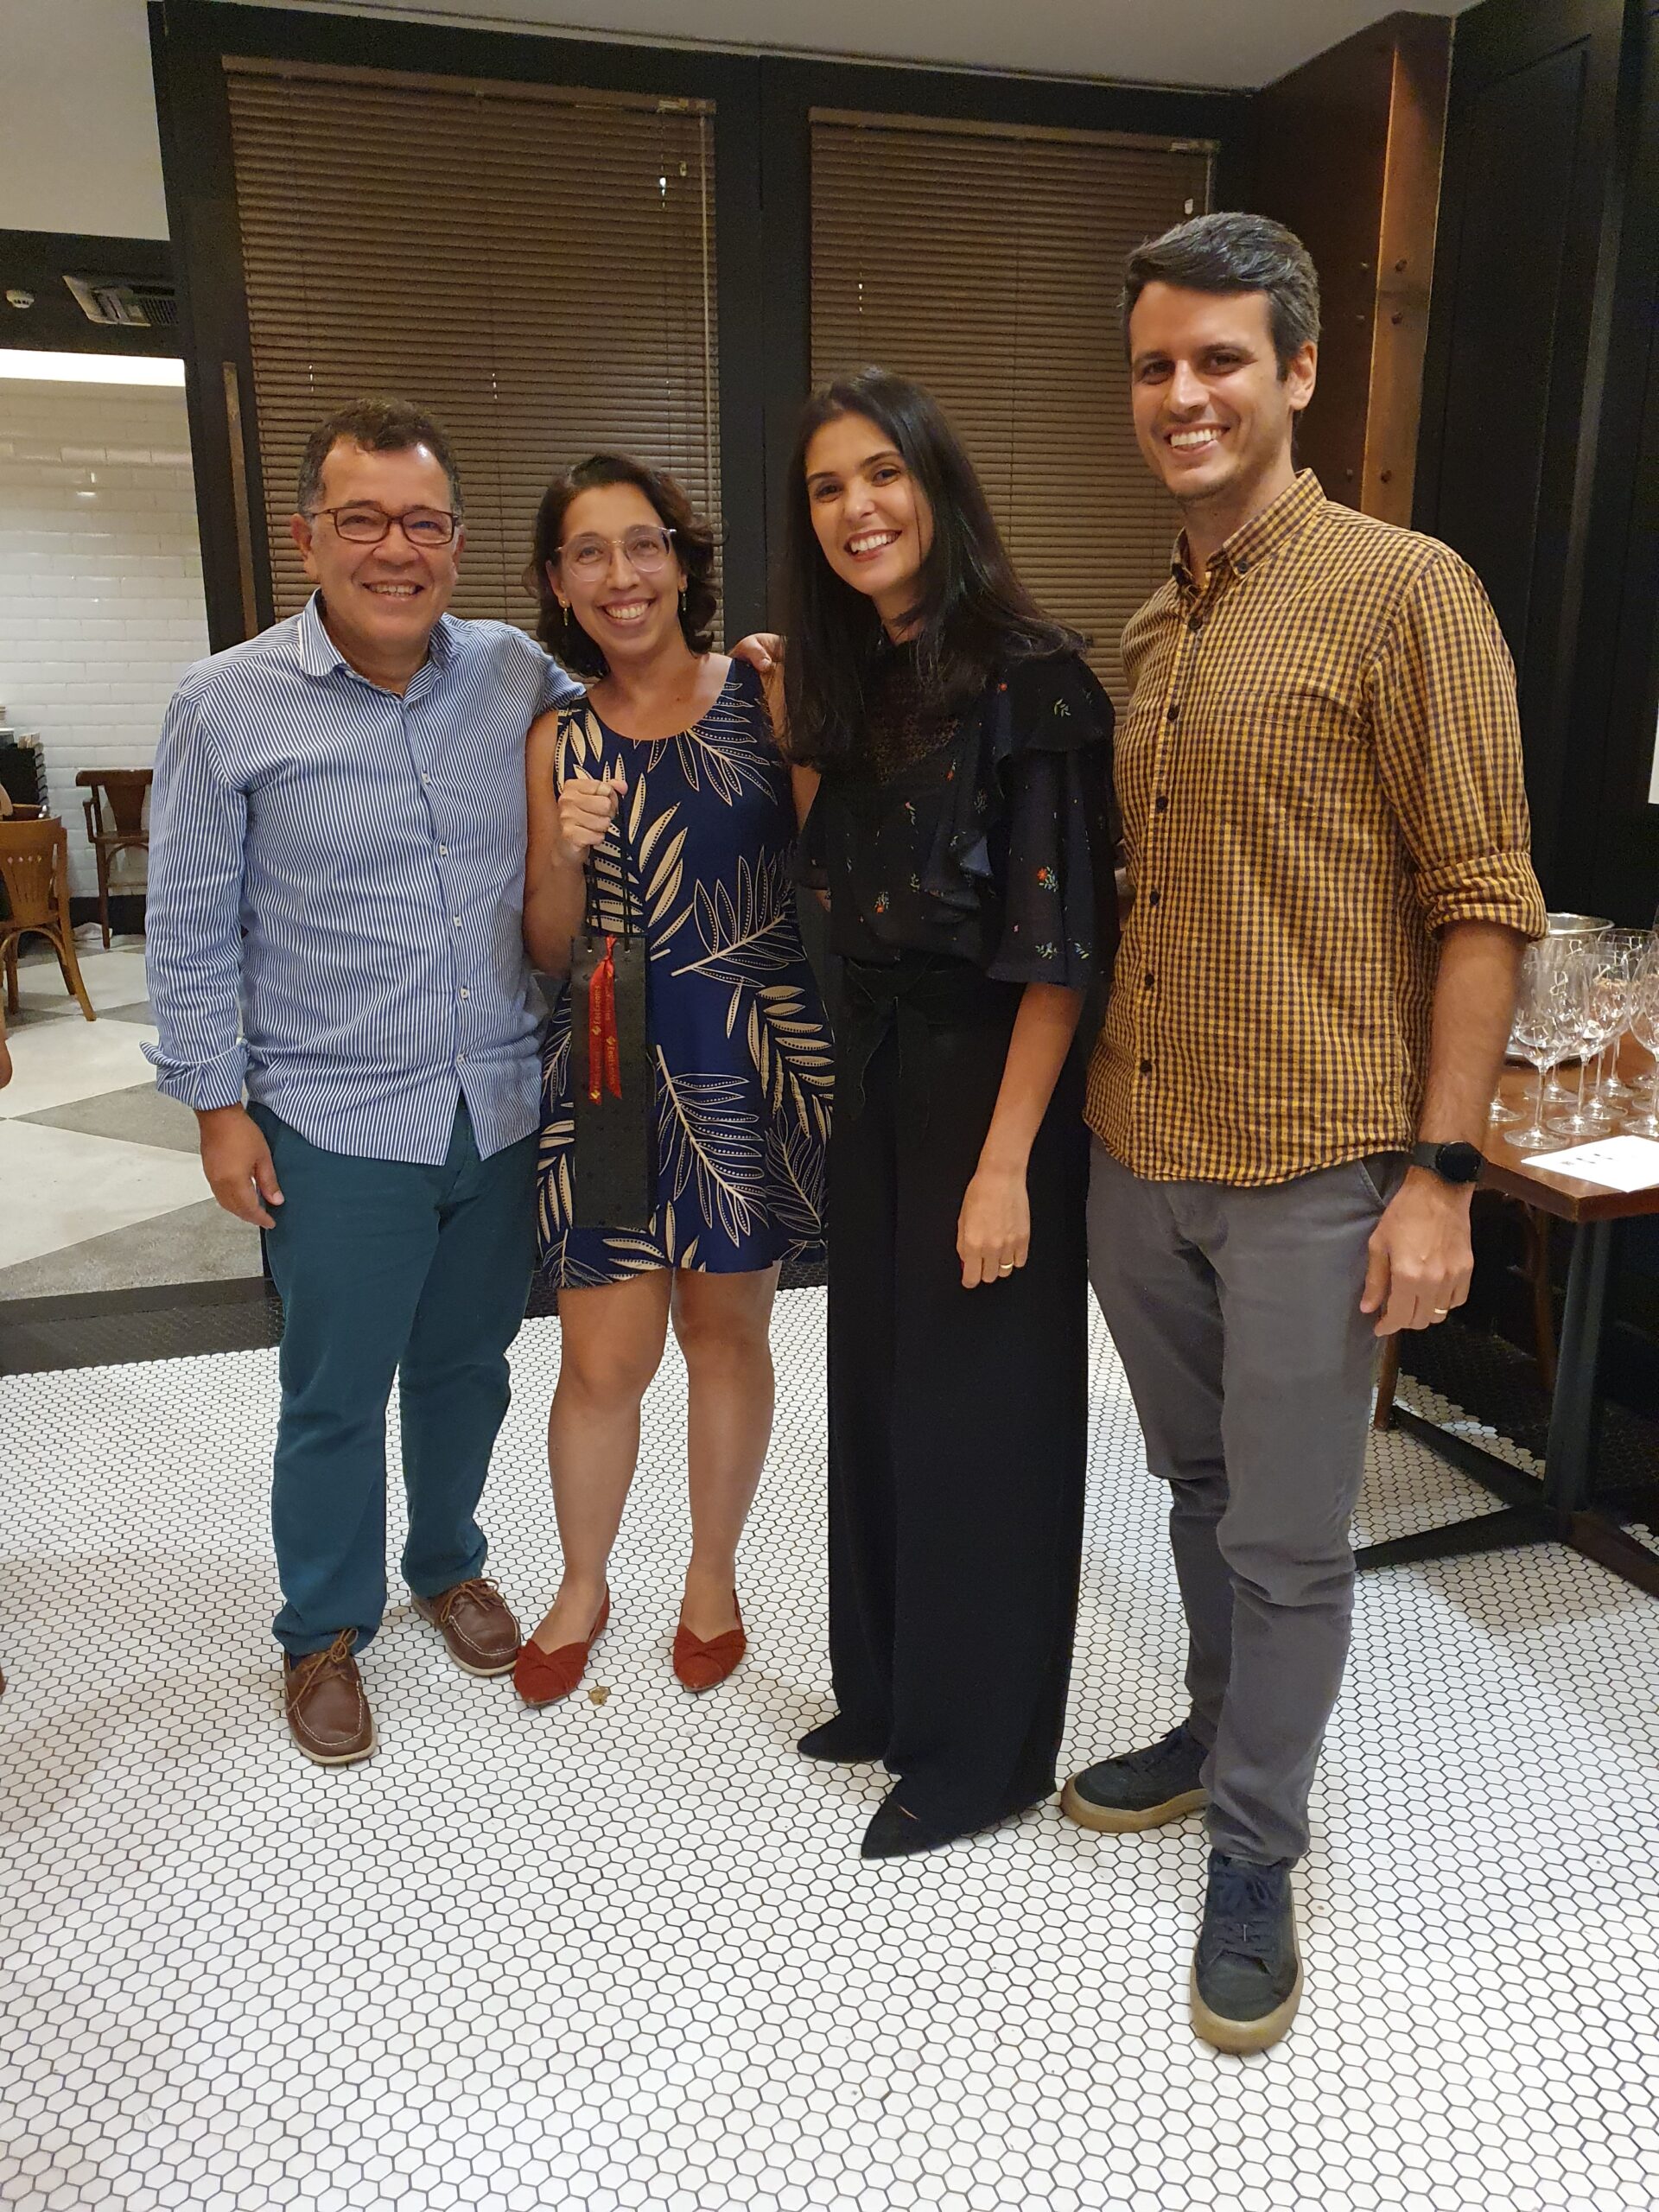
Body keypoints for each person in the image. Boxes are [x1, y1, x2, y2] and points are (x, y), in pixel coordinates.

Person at [1062, 213, 1548, 2051]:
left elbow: (1482, 901)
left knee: (1288, 1536)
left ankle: (1258, 1845)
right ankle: (1216, 1730)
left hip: (1319, 1168)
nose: (1183, 395)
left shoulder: (1407, 591)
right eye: (1155, 366)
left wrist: (1441, 1179)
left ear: (1301, 372)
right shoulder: (1152, 626)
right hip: (1141, 1149)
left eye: (1221, 360)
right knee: (1196, 1490)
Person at [145, 397, 583, 1765]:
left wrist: (743, 667)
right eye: (363, 520)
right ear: (308, 538)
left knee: (469, 1365)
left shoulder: (510, 672)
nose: (397, 549)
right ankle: (324, 1627)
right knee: (335, 1391)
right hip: (332, 1119)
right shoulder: (223, 705)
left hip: (495, 1102)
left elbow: (637, 708)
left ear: (457, 540)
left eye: (425, 523)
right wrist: (218, 1110)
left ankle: (446, 1563)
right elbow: (188, 924)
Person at [779, 368, 1117, 1859]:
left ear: (938, 487)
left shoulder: (1031, 681)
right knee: (880, 1386)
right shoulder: (854, 688)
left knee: (985, 1414)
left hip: (994, 1083)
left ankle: (983, 1754)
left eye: (883, 474)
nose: (858, 508)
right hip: (881, 1070)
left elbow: (1060, 953)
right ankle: (891, 1688)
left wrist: (1005, 1167)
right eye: (827, 487)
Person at [513, 454, 831, 1705]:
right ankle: (583, 1582)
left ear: (682, 560)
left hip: (742, 1054)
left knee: (725, 1331)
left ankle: (712, 1573)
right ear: (558, 583)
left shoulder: (761, 690)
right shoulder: (557, 736)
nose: (621, 575)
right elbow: (548, 946)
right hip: (604, 1064)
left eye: (641, 544)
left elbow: (827, 872)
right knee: (601, 1357)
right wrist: (565, 852)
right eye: (588, 553)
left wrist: (805, 716)